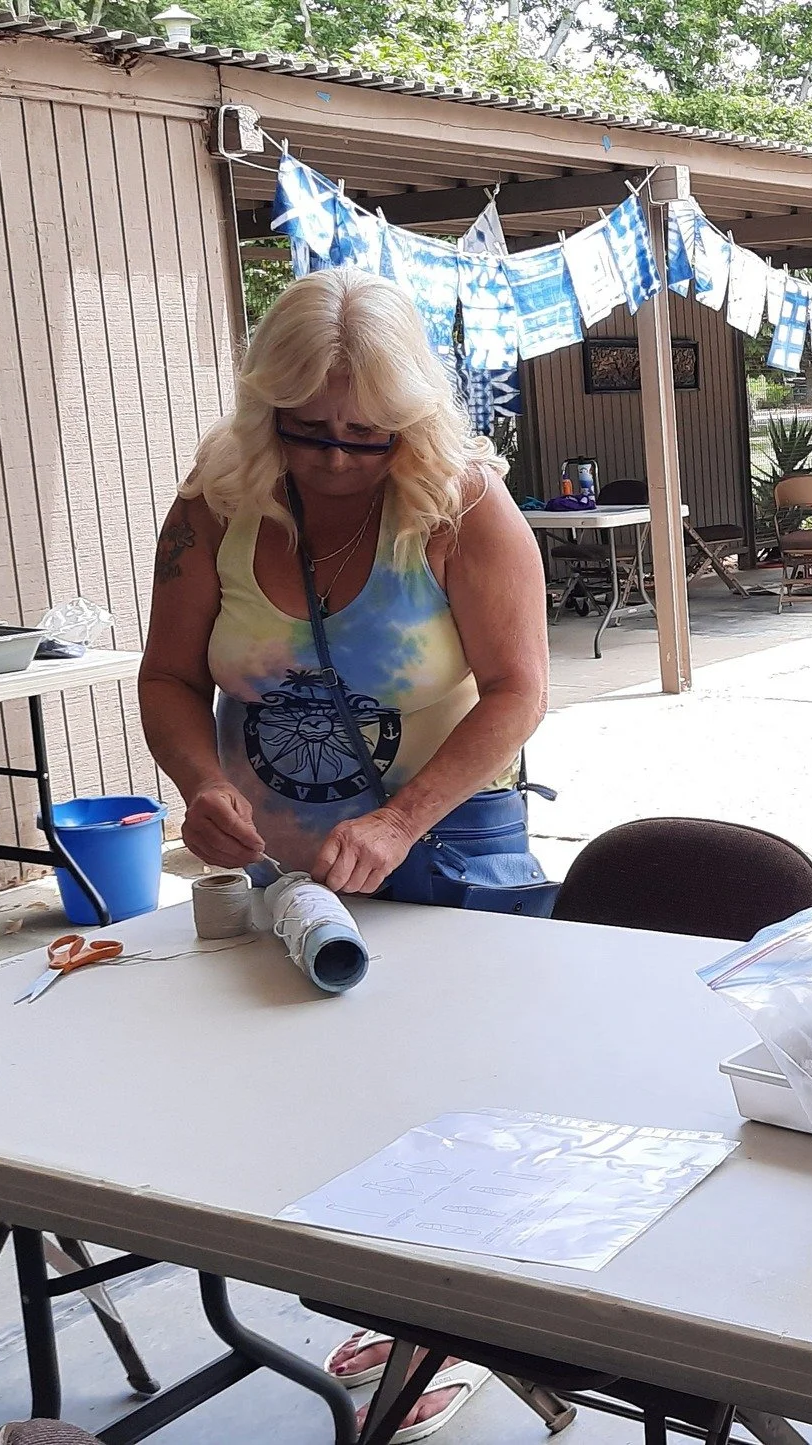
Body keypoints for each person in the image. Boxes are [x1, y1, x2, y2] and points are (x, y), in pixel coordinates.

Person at [137, 267, 548, 1434]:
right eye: (306, 433)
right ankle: (414, 1311)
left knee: (454, 1099)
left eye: (364, 440)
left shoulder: (461, 504)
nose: (330, 462)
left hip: (444, 835)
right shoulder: (212, 504)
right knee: (321, 1092)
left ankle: (460, 1334)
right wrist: (203, 781)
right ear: (265, 409)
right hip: (278, 856)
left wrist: (402, 815)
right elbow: (168, 676)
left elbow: (517, 693)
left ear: (409, 421)